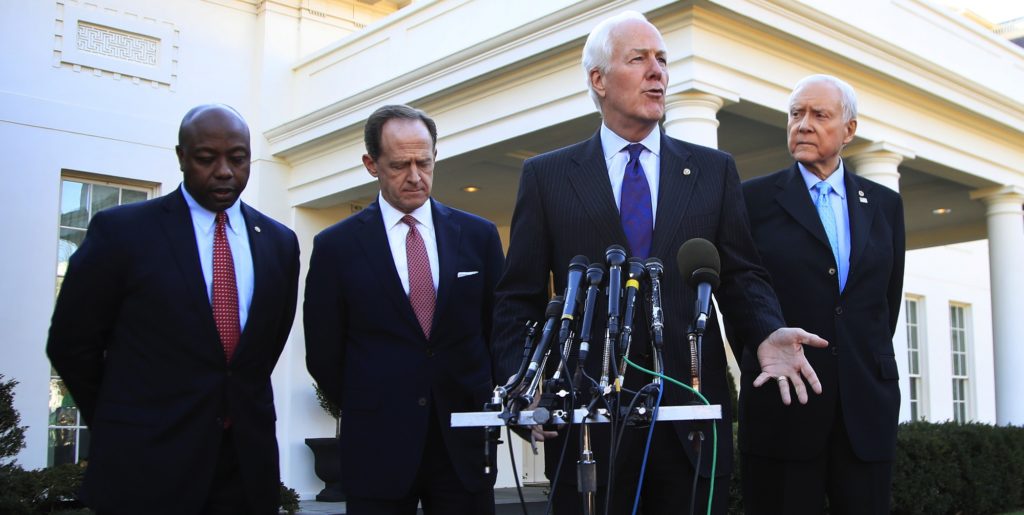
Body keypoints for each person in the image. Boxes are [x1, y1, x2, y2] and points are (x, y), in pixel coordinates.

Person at [491, 10, 827, 515]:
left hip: (690, 416)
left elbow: (740, 277)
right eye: (640, 59)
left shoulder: (714, 170)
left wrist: (765, 332)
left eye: (663, 60)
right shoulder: (547, 176)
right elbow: (519, 297)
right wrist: (524, 380)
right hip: (589, 425)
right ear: (598, 80)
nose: (658, 72)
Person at [47, 104, 300, 514]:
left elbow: (259, 352)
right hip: (145, 467)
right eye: (206, 158)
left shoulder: (280, 243)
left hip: (244, 472)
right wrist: (123, 422)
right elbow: (71, 345)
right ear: (182, 156)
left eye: (237, 158)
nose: (223, 171)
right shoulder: (122, 233)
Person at [304, 104, 504, 514]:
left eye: (424, 162)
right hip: (377, 448)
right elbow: (323, 353)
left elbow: (498, 329)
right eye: (399, 165)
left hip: (463, 447)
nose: (415, 176)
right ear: (370, 164)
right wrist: (373, 404)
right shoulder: (335, 248)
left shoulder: (478, 236)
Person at [738, 74, 906, 514]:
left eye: (819, 115)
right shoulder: (750, 201)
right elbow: (740, 293)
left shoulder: (885, 205)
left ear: (849, 130)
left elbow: (883, 305)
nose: (803, 125)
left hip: (865, 412)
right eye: (796, 114)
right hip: (784, 408)